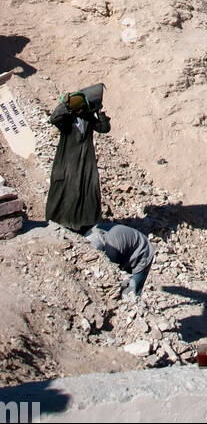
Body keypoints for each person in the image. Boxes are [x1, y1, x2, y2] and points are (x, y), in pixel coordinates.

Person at [45, 88, 111, 234]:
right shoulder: (66, 120)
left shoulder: (88, 118)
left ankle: (85, 224)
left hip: (86, 162)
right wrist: (65, 104)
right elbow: (54, 118)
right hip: (67, 162)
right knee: (65, 192)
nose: (81, 111)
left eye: (82, 108)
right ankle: (60, 222)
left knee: (87, 190)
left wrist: (99, 112)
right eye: (78, 108)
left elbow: (104, 128)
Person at [86, 223, 155, 298]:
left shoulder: (111, 246)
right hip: (126, 247)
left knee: (132, 292)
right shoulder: (88, 236)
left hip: (143, 252)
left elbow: (110, 272)